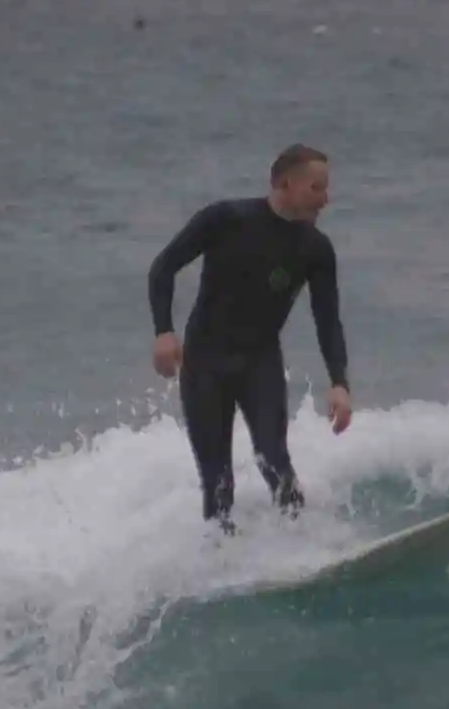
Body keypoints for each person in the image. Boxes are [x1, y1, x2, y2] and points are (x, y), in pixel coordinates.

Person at [147, 143, 353, 533]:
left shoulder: (316, 249)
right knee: (217, 481)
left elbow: (327, 319)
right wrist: (163, 332)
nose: (325, 199)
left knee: (275, 460)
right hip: (204, 365)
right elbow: (162, 268)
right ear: (285, 183)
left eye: (325, 189)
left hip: (260, 363)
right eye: (316, 188)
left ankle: (302, 545)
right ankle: (222, 558)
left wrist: (339, 383)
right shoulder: (225, 219)